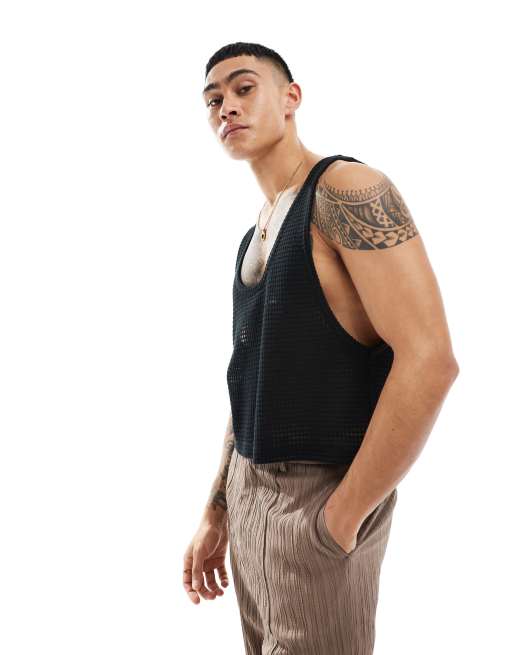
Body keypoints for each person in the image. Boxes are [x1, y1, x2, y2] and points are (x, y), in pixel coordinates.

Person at [183, 41, 460, 654]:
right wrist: (218, 509)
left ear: (291, 98)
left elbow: (430, 360)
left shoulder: (346, 190)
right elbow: (251, 382)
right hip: (251, 492)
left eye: (243, 88)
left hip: (319, 496)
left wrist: (341, 519)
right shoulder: (255, 234)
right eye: (213, 100)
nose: (227, 107)